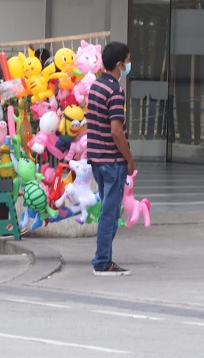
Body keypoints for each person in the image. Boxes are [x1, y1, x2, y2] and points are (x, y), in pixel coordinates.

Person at [86, 41, 136, 276]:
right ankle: (103, 261)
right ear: (119, 64)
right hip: (112, 160)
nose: (128, 65)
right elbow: (116, 130)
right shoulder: (115, 91)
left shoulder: (96, 86)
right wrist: (129, 158)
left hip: (96, 158)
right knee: (110, 212)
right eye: (127, 61)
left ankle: (103, 257)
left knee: (108, 209)